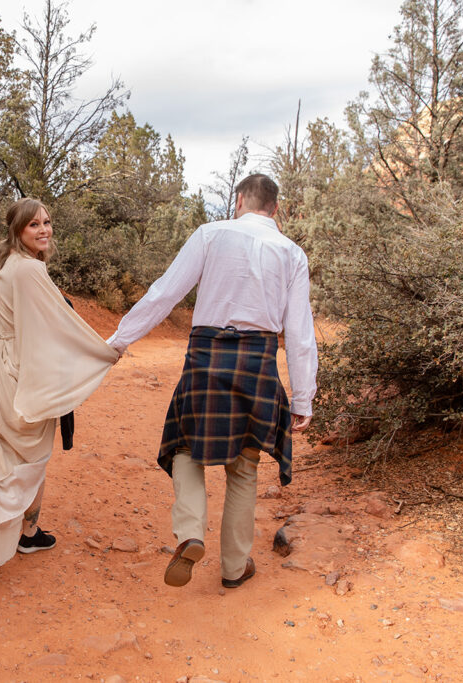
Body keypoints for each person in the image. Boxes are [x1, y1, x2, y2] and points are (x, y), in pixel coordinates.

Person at [107, 173, 317, 589]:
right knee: (244, 465)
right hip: (257, 360)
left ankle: (190, 532)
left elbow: (164, 293)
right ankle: (235, 568)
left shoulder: (210, 234)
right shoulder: (292, 253)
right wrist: (303, 398)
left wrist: (119, 340)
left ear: (238, 200)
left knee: (185, 446)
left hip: (205, 355)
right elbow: (299, 332)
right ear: (275, 209)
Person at [0, 198, 118, 583]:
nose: (44, 230)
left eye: (47, 222)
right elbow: (59, 326)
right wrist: (103, 351)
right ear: (17, 231)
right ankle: (24, 534)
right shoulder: (30, 270)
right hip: (15, 369)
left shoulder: (1, 265)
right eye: (34, 225)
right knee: (29, 456)